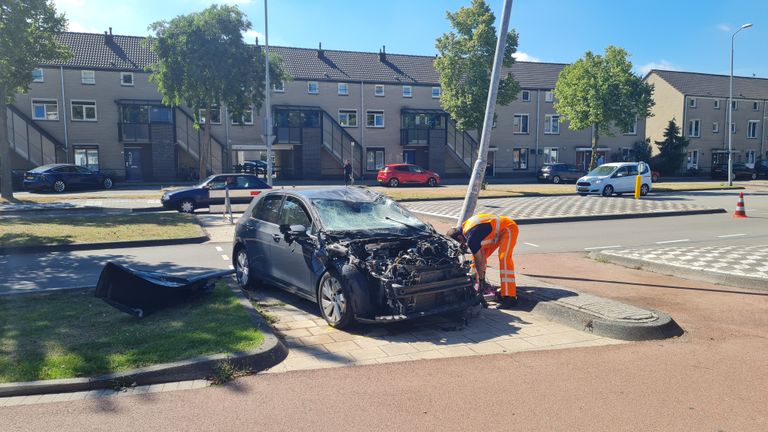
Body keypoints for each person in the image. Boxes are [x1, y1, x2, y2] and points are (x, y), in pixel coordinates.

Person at [447, 213, 519, 309]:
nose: (462, 246)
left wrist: (482, 278)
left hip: (508, 227)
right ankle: (474, 285)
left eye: (460, 244)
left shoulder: (471, 237)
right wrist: (480, 280)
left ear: (460, 238)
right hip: (494, 233)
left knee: (504, 258)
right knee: (476, 259)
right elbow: (480, 257)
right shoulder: (465, 229)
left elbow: (479, 260)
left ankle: (509, 296)